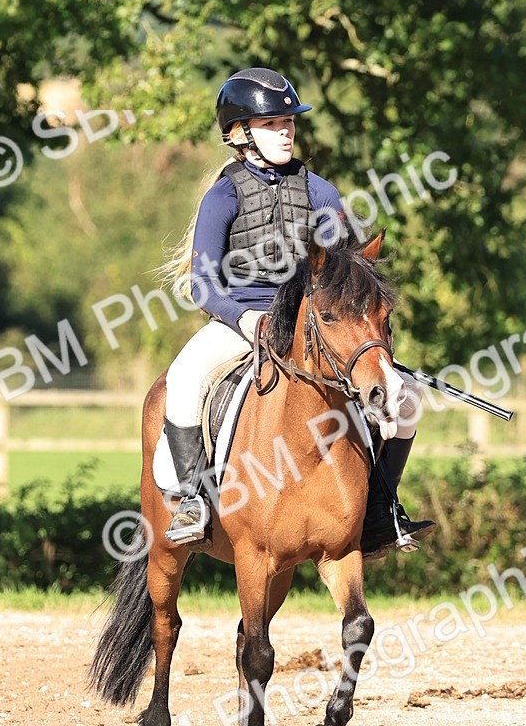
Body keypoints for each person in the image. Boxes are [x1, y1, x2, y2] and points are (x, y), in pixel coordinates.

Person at [160, 66, 435, 558]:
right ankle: (193, 501)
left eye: (288, 121)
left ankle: (379, 509)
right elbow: (203, 284)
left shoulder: (321, 192)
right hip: (240, 321)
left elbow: (346, 273)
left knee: (407, 399)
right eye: (272, 124)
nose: (286, 131)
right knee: (182, 378)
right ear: (240, 134)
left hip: (311, 327)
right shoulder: (222, 196)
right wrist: (243, 318)